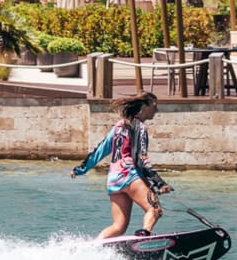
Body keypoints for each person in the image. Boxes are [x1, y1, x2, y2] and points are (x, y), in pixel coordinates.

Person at [71, 91, 172, 238]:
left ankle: (95, 247)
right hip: (129, 176)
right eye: (154, 106)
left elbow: (99, 151)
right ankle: (144, 236)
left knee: (118, 227)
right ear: (144, 106)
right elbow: (142, 158)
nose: (156, 110)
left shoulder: (118, 126)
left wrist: (80, 169)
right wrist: (159, 183)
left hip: (114, 179)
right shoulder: (140, 127)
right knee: (155, 209)